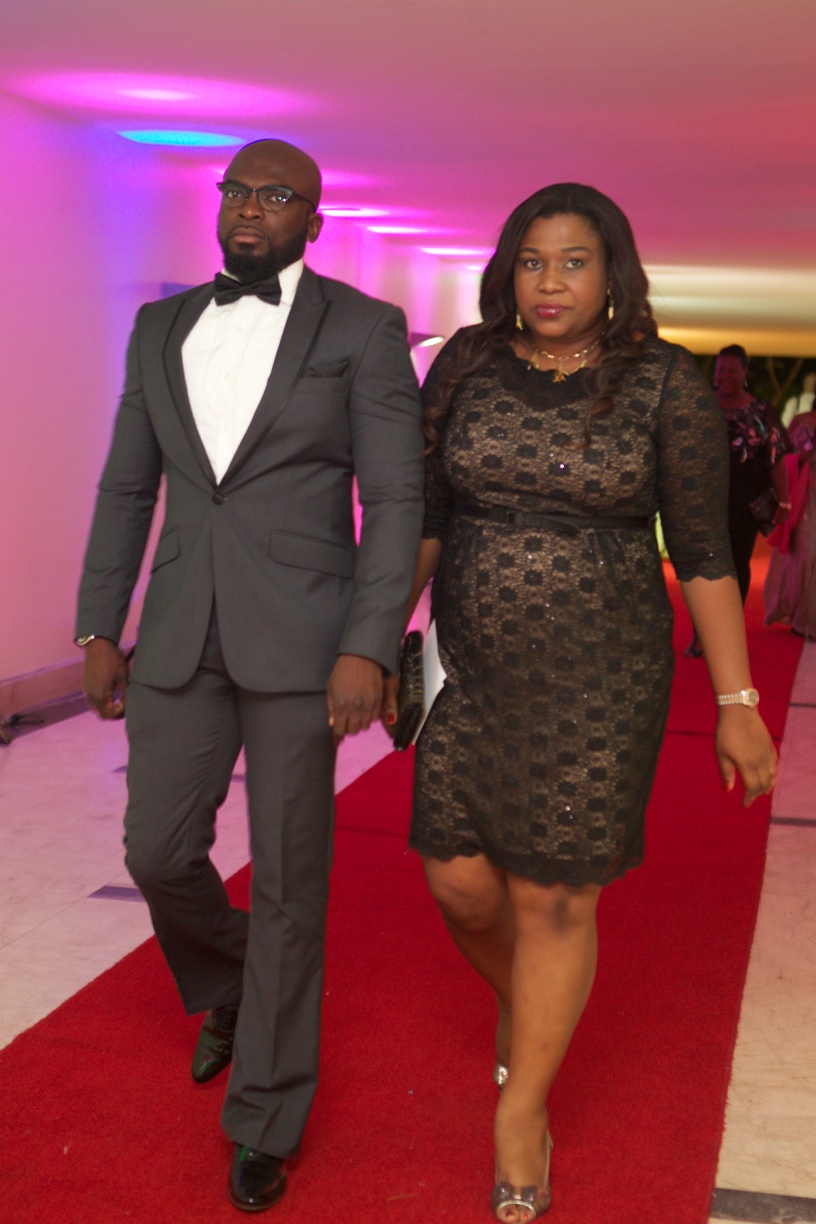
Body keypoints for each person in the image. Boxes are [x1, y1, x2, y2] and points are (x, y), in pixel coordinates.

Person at [385, 184, 778, 1223]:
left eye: (573, 262)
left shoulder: (664, 383)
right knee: (459, 882)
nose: (549, 282)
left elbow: (705, 552)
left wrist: (737, 698)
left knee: (556, 896)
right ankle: (531, 1008)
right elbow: (427, 515)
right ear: (508, 272)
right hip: (470, 666)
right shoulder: (468, 363)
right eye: (532, 261)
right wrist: (376, 635)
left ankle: (523, 1111)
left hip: (602, 674)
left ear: (613, 276)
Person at [76, 138, 424, 1213]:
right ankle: (230, 980)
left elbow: (394, 500)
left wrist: (369, 642)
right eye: (238, 191)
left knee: (289, 882)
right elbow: (128, 486)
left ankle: (266, 1114)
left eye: (277, 197)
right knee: (156, 849)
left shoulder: (362, 329)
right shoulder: (160, 327)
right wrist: (98, 624)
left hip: (305, 640)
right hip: (181, 628)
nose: (250, 209)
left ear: (313, 221)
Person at [685, 345, 791, 657]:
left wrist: (784, 503)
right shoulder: (698, 405)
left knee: (735, 567)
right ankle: (702, 633)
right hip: (703, 500)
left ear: (744, 373)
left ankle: (726, 634)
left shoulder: (761, 411)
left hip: (745, 503)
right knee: (703, 567)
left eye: (732, 370)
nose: (725, 376)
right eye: (721, 370)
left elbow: (775, 459)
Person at [764, 409, 816, 638]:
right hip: (807, 495)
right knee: (806, 553)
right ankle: (799, 614)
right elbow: (790, 455)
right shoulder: (804, 421)